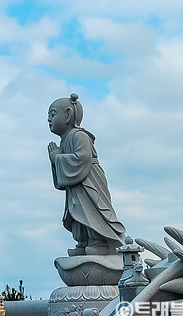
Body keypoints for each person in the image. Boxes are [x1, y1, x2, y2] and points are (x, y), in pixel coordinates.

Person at [47, 93, 125, 256]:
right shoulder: (65, 140)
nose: (49, 120)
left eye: (52, 114)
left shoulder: (79, 135)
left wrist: (58, 158)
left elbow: (82, 158)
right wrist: (56, 162)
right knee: (76, 212)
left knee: (92, 210)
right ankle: (83, 242)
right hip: (76, 186)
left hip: (89, 183)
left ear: (68, 115)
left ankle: (99, 242)